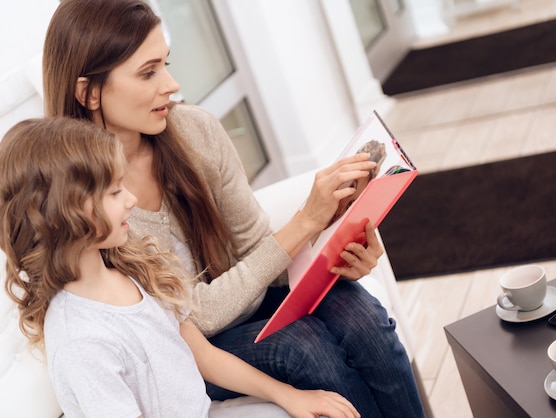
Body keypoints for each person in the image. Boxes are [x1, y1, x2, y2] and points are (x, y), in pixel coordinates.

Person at [42, 1, 426, 416]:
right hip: (193, 345)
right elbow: (195, 317)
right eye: (148, 72)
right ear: (89, 92)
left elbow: (256, 248)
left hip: (248, 300)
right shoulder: (90, 204)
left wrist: (332, 246)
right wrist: (303, 223)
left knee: (362, 316)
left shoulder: (194, 130)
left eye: (166, 64)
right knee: (307, 349)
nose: (171, 84)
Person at [0, 116, 360, 418]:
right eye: (113, 193)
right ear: (66, 216)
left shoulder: (133, 267)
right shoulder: (81, 341)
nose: (131, 200)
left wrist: (289, 396)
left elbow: (201, 355)